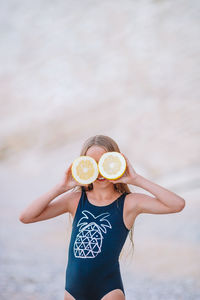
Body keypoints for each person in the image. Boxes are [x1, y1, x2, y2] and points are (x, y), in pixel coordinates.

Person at [19, 134, 185, 300]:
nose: (99, 170)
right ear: (83, 166)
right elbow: (26, 217)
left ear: (117, 162)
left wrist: (136, 179)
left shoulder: (129, 203)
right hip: (72, 292)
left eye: (106, 163)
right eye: (92, 164)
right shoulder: (75, 200)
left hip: (109, 292)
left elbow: (177, 204)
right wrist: (61, 187)